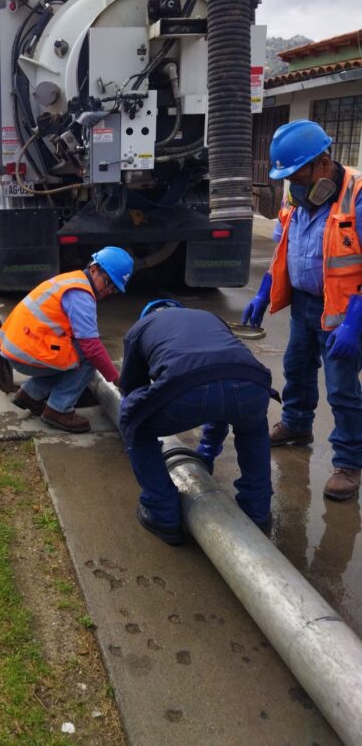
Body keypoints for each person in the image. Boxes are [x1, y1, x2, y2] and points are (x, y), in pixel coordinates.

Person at [242, 120, 362, 501]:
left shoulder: (356, 195)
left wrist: (355, 325)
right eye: (286, 176)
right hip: (305, 305)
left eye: (296, 174)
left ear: (322, 164)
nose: (291, 183)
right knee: (296, 368)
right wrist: (263, 294)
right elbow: (282, 250)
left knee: (342, 390)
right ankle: (296, 424)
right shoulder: (295, 196)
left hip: (345, 313)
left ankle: (348, 462)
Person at [119, 301, 275, 545]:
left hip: (188, 387)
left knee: (135, 424)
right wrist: (206, 454)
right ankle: (258, 513)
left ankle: (162, 514)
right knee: (253, 430)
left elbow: (132, 389)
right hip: (251, 384)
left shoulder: (140, 328)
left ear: (147, 315)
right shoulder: (208, 316)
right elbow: (221, 382)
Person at [0, 247, 134, 433]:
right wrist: (116, 378)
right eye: (107, 282)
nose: (108, 290)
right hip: (26, 353)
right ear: (93, 269)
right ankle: (59, 410)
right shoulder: (81, 296)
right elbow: (91, 348)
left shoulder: (73, 280)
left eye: (114, 288)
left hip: (18, 347)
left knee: (69, 354)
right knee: (85, 357)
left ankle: (30, 395)